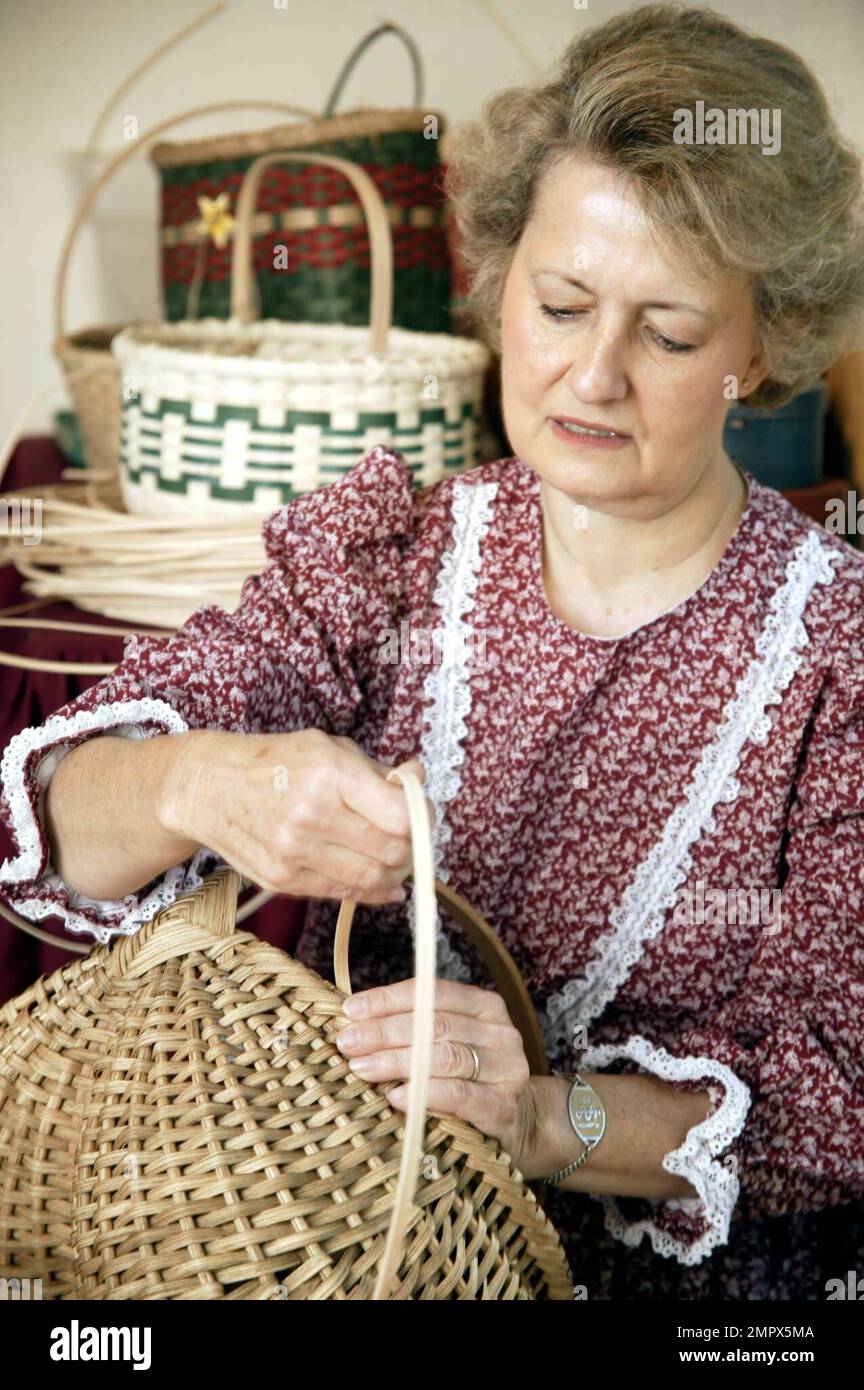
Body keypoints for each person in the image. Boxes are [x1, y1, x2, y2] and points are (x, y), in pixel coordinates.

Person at [2, 3, 863, 1299]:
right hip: (372, 1246)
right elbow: (54, 811)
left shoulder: (837, 657)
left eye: (670, 332)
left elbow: (839, 1101)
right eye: (561, 302)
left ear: (765, 340)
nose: (594, 375)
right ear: (501, 277)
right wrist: (199, 782)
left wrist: (546, 1120)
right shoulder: (393, 556)